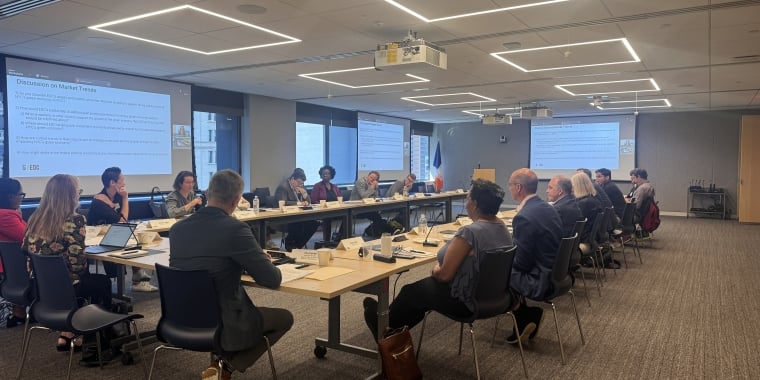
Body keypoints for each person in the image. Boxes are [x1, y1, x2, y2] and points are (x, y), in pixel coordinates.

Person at [170, 169, 293, 380]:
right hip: (223, 319)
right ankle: (226, 365)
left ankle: (217, 365)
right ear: (237, 201)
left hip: (179, 316)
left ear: (207, 194)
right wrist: (256, 258)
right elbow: (272, 279)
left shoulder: (177, 229)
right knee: (285, 318)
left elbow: (206, 259)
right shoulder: (236, 229)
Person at [362, 179, 512, 338]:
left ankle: (384, 327)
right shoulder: (502, 227)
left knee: (412, 291)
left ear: (474, 204)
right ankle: (394, 331)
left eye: (467, 198)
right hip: (496, 297)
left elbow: (444, 275)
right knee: (419, 296)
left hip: (466, 301)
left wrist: (435, 270)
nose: (466, 201)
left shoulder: (470, 233)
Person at [23, 174, 112, 351]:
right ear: (71, 195)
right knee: (101, 282)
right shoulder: (75, 220)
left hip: (40, 287)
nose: (79, 195)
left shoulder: (34, 218)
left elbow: (24, 249)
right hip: (67, 287)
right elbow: (78, 264)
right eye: (78, 191)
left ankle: (68, 331)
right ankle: (96, 334)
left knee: (81, 279)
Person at [507, 168, 562, 344]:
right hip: (555, 273)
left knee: (493, 272)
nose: (509, 188)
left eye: (510, 185)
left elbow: (521, 263)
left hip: (539, 278)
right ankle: (525, 315)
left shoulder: (524, 216)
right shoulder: (547, 208)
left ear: (518, 187)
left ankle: (524, 315)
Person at [88, 167, 156, 292]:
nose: (124, 183)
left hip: (111, 233)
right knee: (129, 238)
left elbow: (123, 219)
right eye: (122, 180)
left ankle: (137, 275)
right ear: (112, 183)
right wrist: (125, 198)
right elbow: (122, 220)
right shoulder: (99, 200)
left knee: (135, 237)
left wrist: (123, 198)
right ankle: (137, 277)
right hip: (95, 238)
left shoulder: (116, 197)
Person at [0, 178, 28, 328]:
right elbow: (28, 237)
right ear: (10, 196)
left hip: (15, 272)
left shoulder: (9, 214)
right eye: (21, 194)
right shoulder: (5, 216)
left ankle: (19, 312)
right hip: (18, 275)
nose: (22, 198)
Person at [274, 168, 319, 250]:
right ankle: (290, 243)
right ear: (292, 179)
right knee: (298, 223)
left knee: (314, 223)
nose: (300, 185)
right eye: (298, 182)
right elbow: (282, 202)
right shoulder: (283, 187)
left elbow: (309, 201)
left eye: (302, 184)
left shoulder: (300, 186)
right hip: (284, 217)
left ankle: (296, 245)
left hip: (298, 215)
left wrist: (304, 193)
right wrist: (299, 204)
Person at [350, 171, 387, 237]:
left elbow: (376, 197)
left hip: (367, 208)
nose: (372, 180)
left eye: (374, 179)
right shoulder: (361, 182)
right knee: (376, 216)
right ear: (368, 176)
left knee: (377, 217)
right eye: (371, 177)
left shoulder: (373, 184)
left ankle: (375, 234)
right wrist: (372, 187)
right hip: (356, 208)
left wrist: (376, 187)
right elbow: (363, 196)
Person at [571, 173, 603, 250]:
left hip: (583, 239)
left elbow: (573, 224)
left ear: (578, 186)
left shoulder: (583, 203)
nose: (571, 188)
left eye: (572, 185)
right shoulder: (593, 199)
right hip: (591, 238)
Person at [310, 165, 342, 242]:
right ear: (321, 175)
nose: (325, 175)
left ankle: (340, 237)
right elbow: (313, 200)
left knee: (347, 216)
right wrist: (324, 206)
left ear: (331, 175)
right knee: (327, 218)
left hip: (335, 209)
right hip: (323, 211)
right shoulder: (317, 186)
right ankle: (326, 241)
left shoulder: (334, 187)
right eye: (323, 173)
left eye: (327, 173)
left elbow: (340, 198)